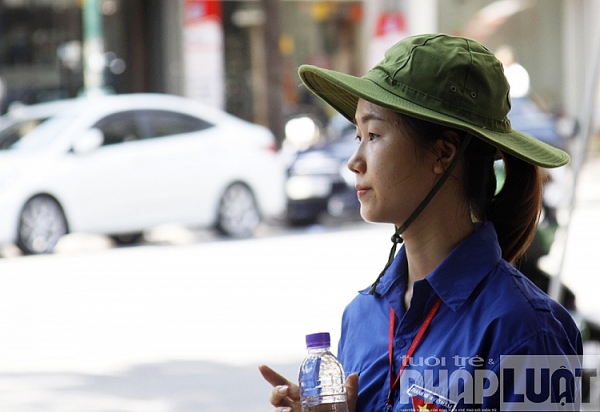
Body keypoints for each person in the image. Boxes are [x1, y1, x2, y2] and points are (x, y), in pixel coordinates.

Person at [260, 33, 582, 412]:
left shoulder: (527, 329)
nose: (354, 161)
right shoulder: (363, 315)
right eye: (357, 135)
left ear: (443, 153)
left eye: (374, 135)